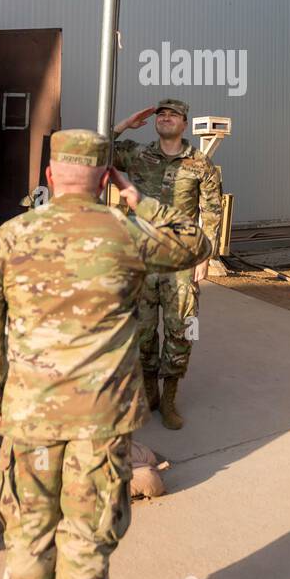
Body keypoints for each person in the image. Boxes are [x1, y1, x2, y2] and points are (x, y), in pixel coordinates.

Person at [0, 129, 211, 579]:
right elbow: (193, 240)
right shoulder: (126, 232)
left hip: (28, 413)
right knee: (87, 532)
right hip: (102, 417)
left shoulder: (11, 236)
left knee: (28, 530)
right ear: (105, 178)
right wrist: (137, 197)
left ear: (50, 176)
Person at [112, 100, 223, 429]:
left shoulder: (201, 164)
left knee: (183, 331)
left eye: (172, 115)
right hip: (142, 260)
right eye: (161, 114)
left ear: (184, 124)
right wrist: (123, 124)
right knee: (143, 332)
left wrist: (206, 255)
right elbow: (96, 153)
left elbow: (212, 212)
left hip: (181, 262)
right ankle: (150, 394)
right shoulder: (137, 154)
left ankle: (170, 398)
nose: (165, 118)